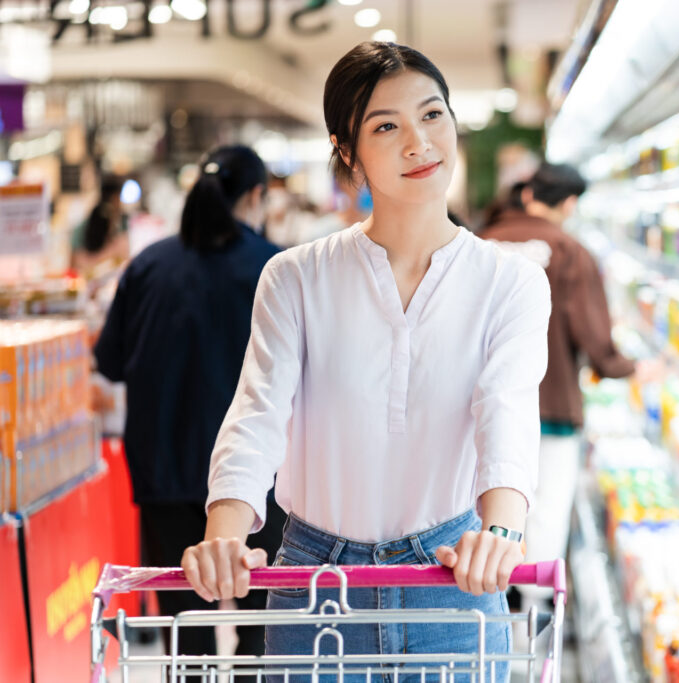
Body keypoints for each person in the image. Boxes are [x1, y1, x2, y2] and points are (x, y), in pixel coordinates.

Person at [179, 42, 551, 683]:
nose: (419, 143)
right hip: (314, 583)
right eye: (386, 127)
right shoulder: (296, 277)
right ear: (346, 150)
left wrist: (502, 534)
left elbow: (507, 413)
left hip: (451, 579)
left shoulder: (510, 281)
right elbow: (258, 413)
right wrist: (225, 532)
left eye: (432, 115)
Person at [93, 145, 286, 664]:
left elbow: (110, 362)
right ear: (256, 197)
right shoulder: (277, 268)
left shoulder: (147, 266)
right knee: (262, 634)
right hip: (260, 486)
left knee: (184, 637)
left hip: (166, 477)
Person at [479, 162, 637, 615]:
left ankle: (490, 597)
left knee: (486, 503)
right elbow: (595, 337)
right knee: (546, 508)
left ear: (528, 194)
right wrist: (623, 367)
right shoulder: (570, 251)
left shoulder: (480, 243)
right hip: (551, 403)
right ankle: (533, 611)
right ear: (569, 204)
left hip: (482, 404)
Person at [71, 174, 130, 275]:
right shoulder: (114, 224)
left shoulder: (84, 224)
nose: (120, 203)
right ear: (114, 197)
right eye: (119, 198)